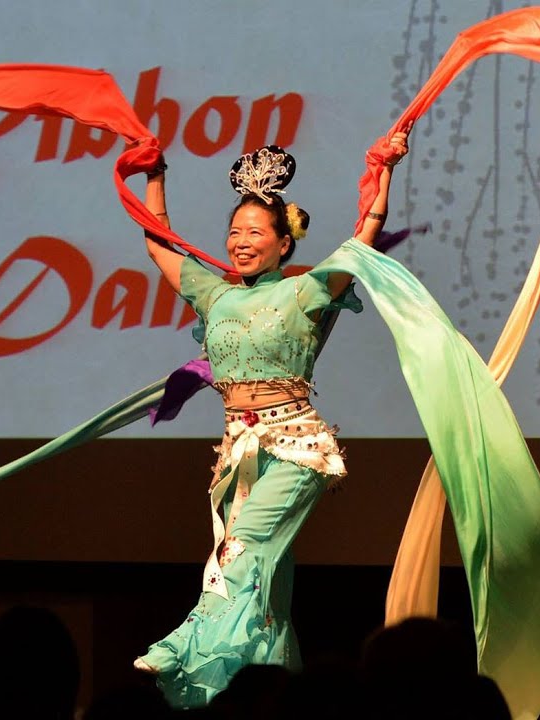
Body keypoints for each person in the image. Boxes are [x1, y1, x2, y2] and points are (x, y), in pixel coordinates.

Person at [131, 135, 408, 708]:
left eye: (255, 232)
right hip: (239, 450)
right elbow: (159, 245)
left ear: (285, 242)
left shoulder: (308, 290)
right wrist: (155, 178)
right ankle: (272, 699)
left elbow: (364, 236)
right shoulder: (215, 295)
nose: (240, 241)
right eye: (234, 232)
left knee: (244, 546)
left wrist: (382, 169)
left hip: (294, 445)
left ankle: (186, 642)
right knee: (267, 592)